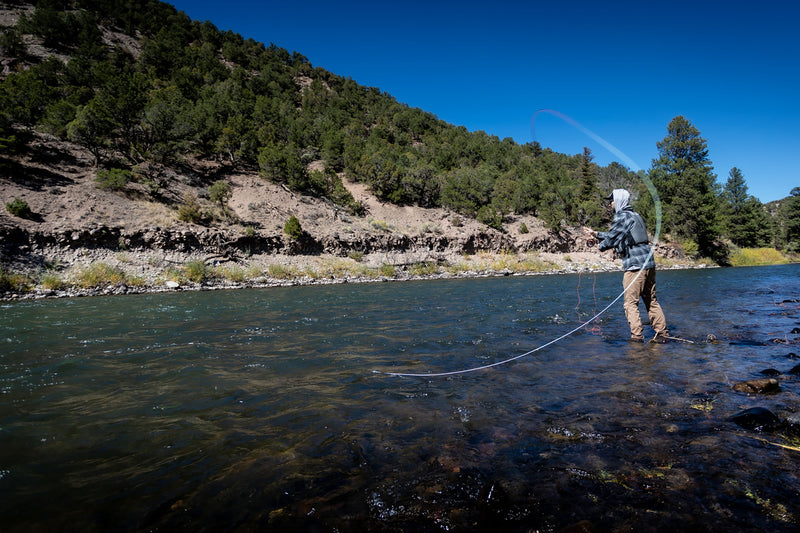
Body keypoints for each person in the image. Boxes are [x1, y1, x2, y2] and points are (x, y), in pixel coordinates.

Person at [585, 189, 669, 342]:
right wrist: (595, 233)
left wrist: (597, 246)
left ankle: (636, 338)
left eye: (612, 200)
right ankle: (662, 334)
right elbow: (619, 234)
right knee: (651, 300)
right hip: (649, 264)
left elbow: (611, 240)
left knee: (630, 303)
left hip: (635, 266)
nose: (610, 204)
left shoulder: (621, 216)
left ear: (619, 201)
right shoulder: (635, 215)